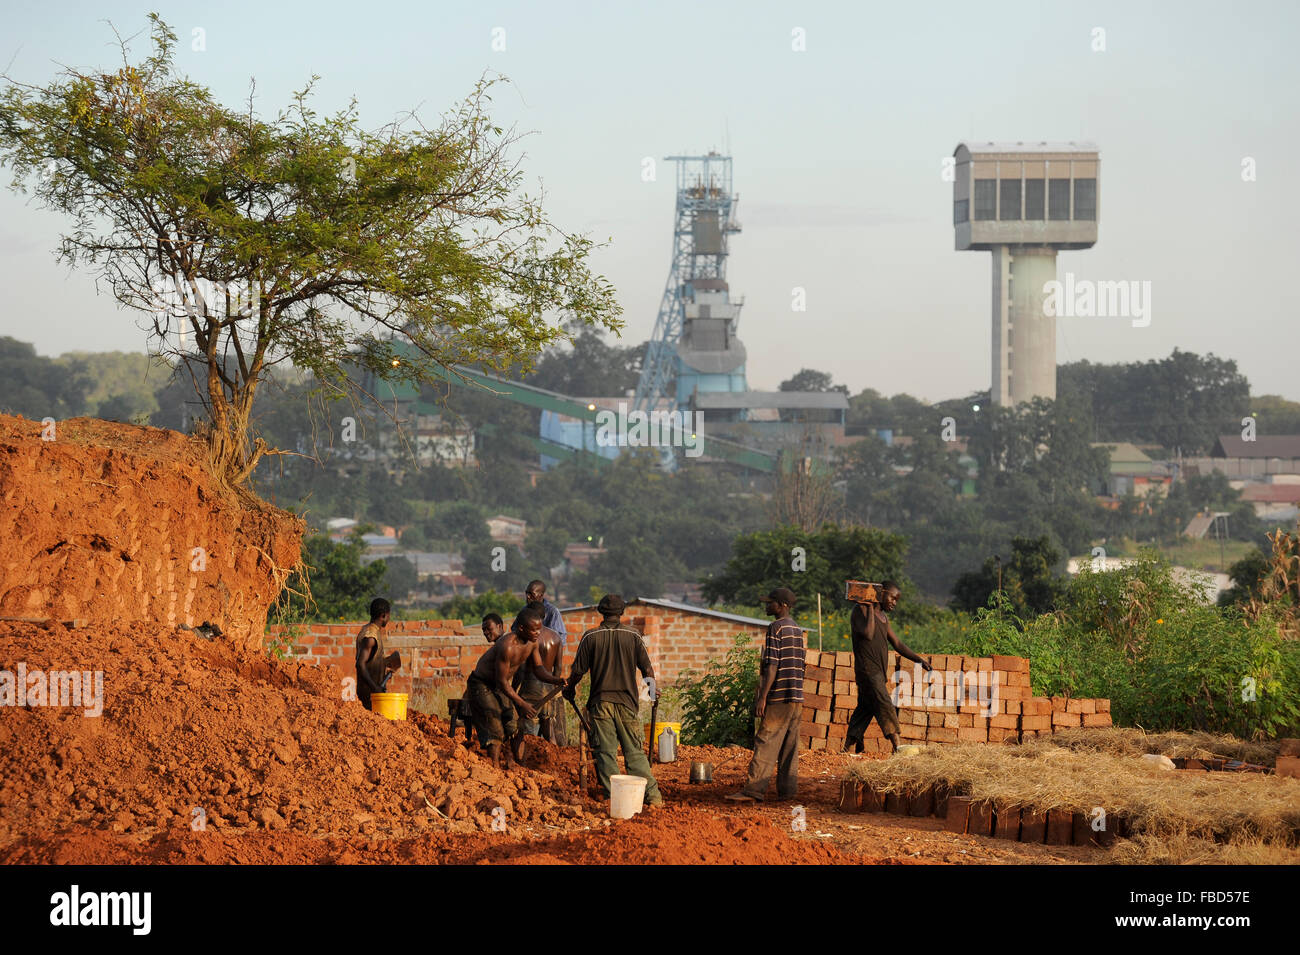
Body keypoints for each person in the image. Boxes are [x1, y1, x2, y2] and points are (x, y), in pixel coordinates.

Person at [564, 594, 662, 807]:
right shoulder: (633, 636)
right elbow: (647, 669)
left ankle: (617, 800)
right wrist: (652, 691)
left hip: (601, 703)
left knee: (605, 754)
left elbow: (577, 672)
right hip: (627, 703)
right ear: (622, 613)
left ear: (601, 612)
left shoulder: (590, 637)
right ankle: (653, 797)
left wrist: (569, 690)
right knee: (634, 752)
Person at [726, 587, 806, 803]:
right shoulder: (797, 630)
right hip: (796, 697)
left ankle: (753, 791)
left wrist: (763, 697)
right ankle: (788, 792)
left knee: (765, 741)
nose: (766, 606)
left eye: (771, 603)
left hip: (779, 696)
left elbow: (772, 666)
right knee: (789, 746)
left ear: (782, 606)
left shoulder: (776, 628)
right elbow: (801, 664)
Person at [465, 607, 564, 768]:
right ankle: (495, 767)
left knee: (514, 724)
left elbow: (538, 668)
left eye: (539, 629)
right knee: (494, 724)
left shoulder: (532, 643)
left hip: (499, 685)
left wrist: (555, 679)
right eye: (534, 630)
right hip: (481, 684)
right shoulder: (507, 646)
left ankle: (515, 763)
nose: (538, 633)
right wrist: (522, 703)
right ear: (522, 628)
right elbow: (502, 682)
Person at [844, 581, 932, 754]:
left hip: (877, 672)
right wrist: (869, 606)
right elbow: (868, 634)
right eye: (892, 597)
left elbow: (897, 643)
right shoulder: (859, 610)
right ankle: (898, 746)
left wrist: (919, 660)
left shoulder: (884, 618)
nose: (894, 603)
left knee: (865, 708)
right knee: (885, 703)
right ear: (881, 593)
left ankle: (847, 747)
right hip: (867, 670)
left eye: (896, 600)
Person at [524, 580, 568, 745]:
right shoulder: (553, 637)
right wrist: (555, 682)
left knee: (530, 729)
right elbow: (559, 664)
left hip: (535, 683)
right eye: (527, 593)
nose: (528, 597)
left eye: (531, 594)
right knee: (548, 727)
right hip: (549, 681)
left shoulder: (552, 613)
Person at [512, 610, 566, 745]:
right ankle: (551, 761)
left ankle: (528, 761)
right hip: (549, 687)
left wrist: (514, 688)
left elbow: (523, 668)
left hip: (531, 687)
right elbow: (558, 668)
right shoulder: (556, 637)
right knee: (549, 728)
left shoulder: (530, 638)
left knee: (529, 729)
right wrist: (554, 686)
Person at [355, 598, 399, 711]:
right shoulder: (371, 636)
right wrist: (375, 688)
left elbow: (371, 660)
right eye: (388, 615)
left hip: (373, 694)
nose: (389, 619)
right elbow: (360, 664)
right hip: (369, 696)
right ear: (383, 615)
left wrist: (386, 662)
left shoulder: (370, 630)